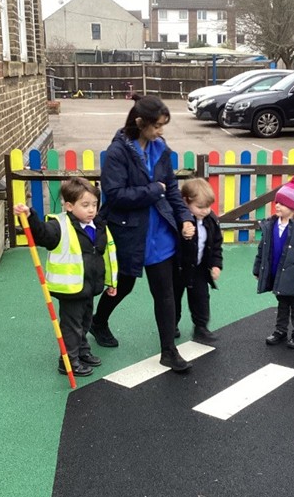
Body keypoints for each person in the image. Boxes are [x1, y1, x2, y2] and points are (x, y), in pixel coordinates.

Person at [90, 94, 196, 373]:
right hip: (129, 233)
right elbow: (114, 196)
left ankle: (169, 352)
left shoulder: (160, 148)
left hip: (159, 232)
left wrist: (184, 217)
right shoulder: (117, 153)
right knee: (123, 285)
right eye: (158, 125)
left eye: (163, 126)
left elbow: (171, 188)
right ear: (140, 123)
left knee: (165, 292)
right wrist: (154, 190)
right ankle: (98, 321)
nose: (161, 131)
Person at [13, 178, 118, 377]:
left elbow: (107, 255)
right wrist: (30, 216)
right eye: (85, 205)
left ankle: (82, 351)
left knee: (86, 321)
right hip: (70, 289)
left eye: (94, 205)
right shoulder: (59, 225)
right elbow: (42, 235)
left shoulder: (98, 226)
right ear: (69, 206)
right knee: (72, 325)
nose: (91, 210)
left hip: (89, 286)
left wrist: (111, 282)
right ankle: (68, 360)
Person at [253, 173, 294, 349]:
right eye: (277, 202)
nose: (278, 206)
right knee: (282, 302)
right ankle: (280, 330)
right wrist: (258, 268)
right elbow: (263, 249)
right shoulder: (271, 225)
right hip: (278, 272)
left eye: (282, 203)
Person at [173, 178, 223, 344]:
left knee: (201, 298)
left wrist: (216, 264)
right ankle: (171, 325)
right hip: (178, 268)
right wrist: (182, 234)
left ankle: (201, 328)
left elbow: (216, 244)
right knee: (173, 299)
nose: (205, 211)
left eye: (208, 206)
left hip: (200, 268)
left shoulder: (211, 220)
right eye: (200, 207)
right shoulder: (180, 219)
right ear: (186, 202)